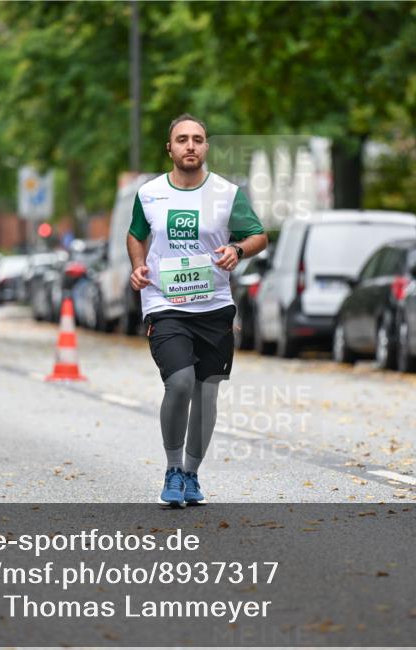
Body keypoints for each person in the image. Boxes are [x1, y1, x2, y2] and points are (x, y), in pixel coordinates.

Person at [127, 114, 268, 507]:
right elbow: (136, 234)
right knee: (180, 383)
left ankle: (191, 474)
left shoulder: (227, 193)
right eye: (182, 139)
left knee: (206, 394)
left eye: (198, 139)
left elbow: (259, 236)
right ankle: (173, 469)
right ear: (169, 148)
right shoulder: (149, 193)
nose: (190, 145)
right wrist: (137, 266)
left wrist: (237, 249)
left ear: (206, 147)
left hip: (214, 306)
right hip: (165, 305)